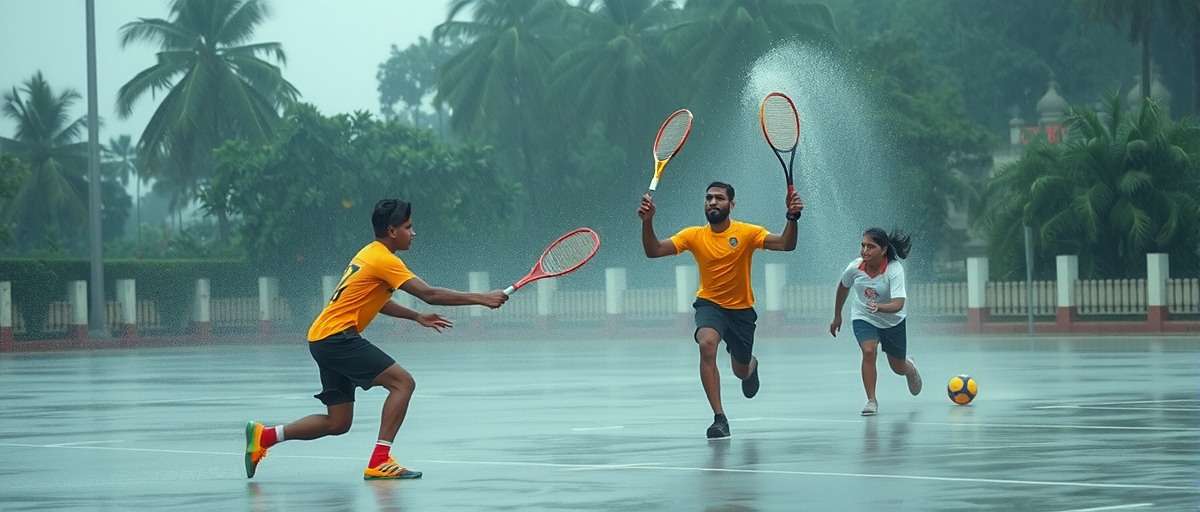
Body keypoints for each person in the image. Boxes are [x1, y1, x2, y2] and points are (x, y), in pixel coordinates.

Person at [244, 199, 508, 480]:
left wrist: (415, 317)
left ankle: (265, 436)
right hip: (337, 338)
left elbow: (376, 302)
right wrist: (482, 298)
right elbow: (430, 293)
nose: (413, 233)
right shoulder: (385, 259)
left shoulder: (368, 254)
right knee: (403, 383)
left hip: (322, 338)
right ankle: (380, 460)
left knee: (338, 422)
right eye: (408, 227)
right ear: (392, 231)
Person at [639, 182, 804, 439]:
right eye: (708, 198)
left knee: (740, 371)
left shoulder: (748, 233)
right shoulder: (693, 235)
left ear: (732, 204)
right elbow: (654, 251)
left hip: (741, 312)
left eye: (719, 198)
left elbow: (785, 244)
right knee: (706, 343)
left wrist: (792, 217)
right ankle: (720, 418)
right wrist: (647, 221)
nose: (712, 202)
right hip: (709, 305)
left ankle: (750, 365)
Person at [829, 227, 922, 416]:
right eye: (862, 245)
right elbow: (843, 287)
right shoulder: (854, 267)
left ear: (884, 249)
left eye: (870, 247)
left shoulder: (894, 270)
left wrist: (880, 307)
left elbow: (898, 303)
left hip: (892, 321)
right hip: (864, 317)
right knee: (869, 351)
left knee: (897, 367)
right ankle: (871, 400)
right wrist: (837, 315)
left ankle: (910, 368)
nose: (864, 251)